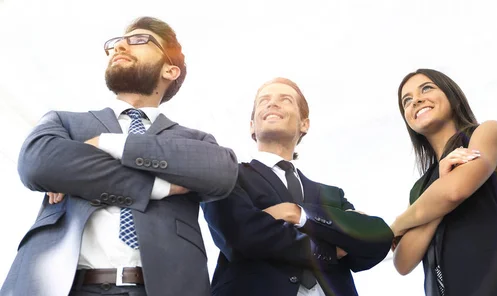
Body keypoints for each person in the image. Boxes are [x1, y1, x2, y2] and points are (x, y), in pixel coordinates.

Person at [1, 16, 238, 296]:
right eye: (115, 44)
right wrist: (156, 186)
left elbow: (220, 172)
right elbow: (36, 163)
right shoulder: (64, 123)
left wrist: (110, 144)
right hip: (62, 286)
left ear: (170, 70)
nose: (120, 47)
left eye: (139, 40)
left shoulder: (196, 141)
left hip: (162, 288)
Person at [201, 77, 393, 296]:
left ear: (304, 124)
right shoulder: (226, 174)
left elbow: (376, 238)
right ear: (252, 125)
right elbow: (241, 235)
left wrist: (299, 214)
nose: (272, 104)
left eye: (285, 100)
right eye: (264, 101)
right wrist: (329, 247)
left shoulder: (332, 195)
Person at [390, 69, 497, 296]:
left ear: (451, 95)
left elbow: (455, 190)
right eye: (407, 100)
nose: (416, 100)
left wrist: (396, 226)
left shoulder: (486, 133)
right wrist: (437, 192)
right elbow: (403, 262)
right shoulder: (420, 188)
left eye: (426, 88)